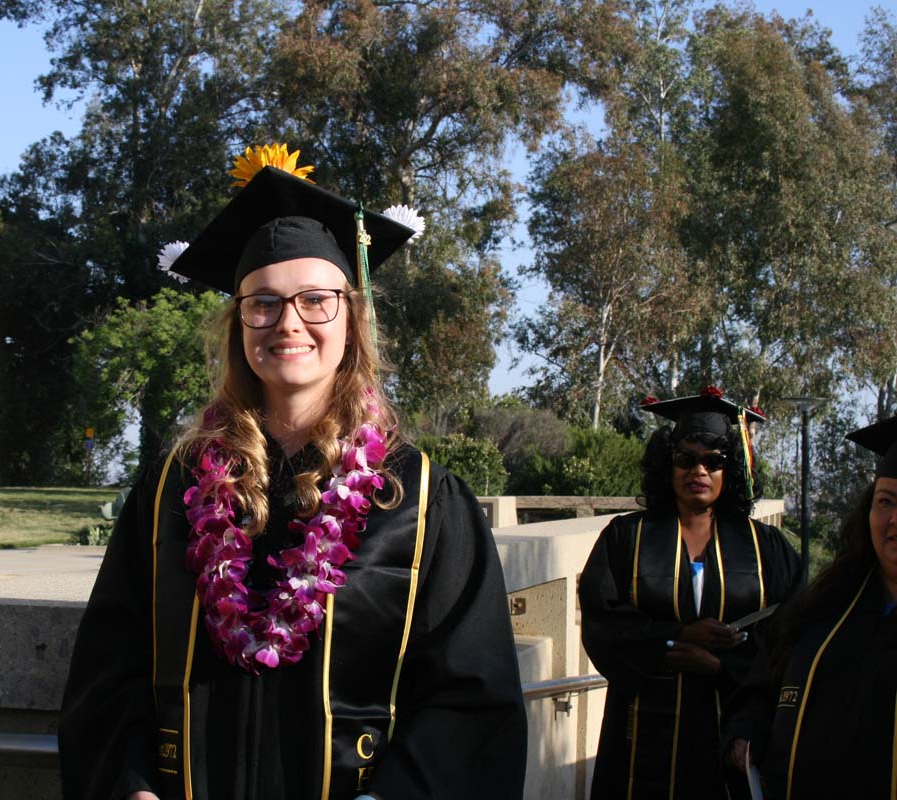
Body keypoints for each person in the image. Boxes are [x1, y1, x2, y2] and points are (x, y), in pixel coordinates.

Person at [58, 146, 528, 800]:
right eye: (263, 303)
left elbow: (470, 700)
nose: (289, 323)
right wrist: (130, 785)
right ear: (239, 323)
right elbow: (108, 673)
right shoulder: (171, 492)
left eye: (316, 299)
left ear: (352, 317)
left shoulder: (421, 502)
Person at [578, 388, 801, 799]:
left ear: (729, 470)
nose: (698, 470)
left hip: (732, 730)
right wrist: (675, 638)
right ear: (668, 463)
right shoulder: (626, 538)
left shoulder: (766, 547)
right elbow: (602, 622)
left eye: (713, 461)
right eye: (686, 458)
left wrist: (721, 665)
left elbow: (791, 638)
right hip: (641, 738)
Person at [722, 416, 897, 798]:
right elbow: (762, 688)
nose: (894, 520)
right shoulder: (823, 607)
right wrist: (747, 730)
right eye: (886, 502)